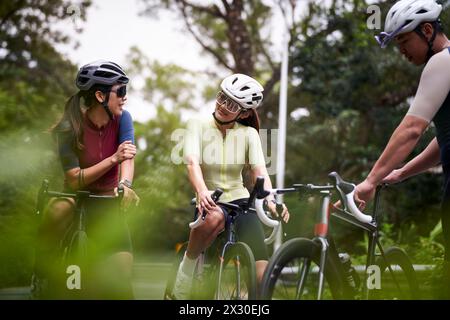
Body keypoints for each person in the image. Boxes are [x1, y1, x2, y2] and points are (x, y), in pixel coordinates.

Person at [356, 0, 450, 296]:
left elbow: (411, 130)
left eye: (404, 40)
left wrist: (370, 180)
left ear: (427, 30)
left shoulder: (442, 61)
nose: (402, 51)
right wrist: (400, 173)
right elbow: (444, 139)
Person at [171, 73, 290, 300]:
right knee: (215, 217)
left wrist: (271, 200)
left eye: (232, 104)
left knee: (262, 276)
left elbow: (259, 172)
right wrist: (202, 191)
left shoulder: (249, 134)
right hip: (211, 199)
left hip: (240, 202)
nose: (223, 106)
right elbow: (191, 162)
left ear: (244, 112)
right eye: (222, 98)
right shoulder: (197, 125)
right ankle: (185, 273)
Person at [32, 60, 140, 299]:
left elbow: (128, 157)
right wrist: (113, 159)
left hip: (106, 200)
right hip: (75, 196)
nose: (125, 97)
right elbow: (73, 180)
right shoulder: (69, 126)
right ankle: (41, 272)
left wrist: (125, 185)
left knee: (122, 276)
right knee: (58, 210)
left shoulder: (124, 119)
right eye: (120, 91)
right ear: (100, 95)